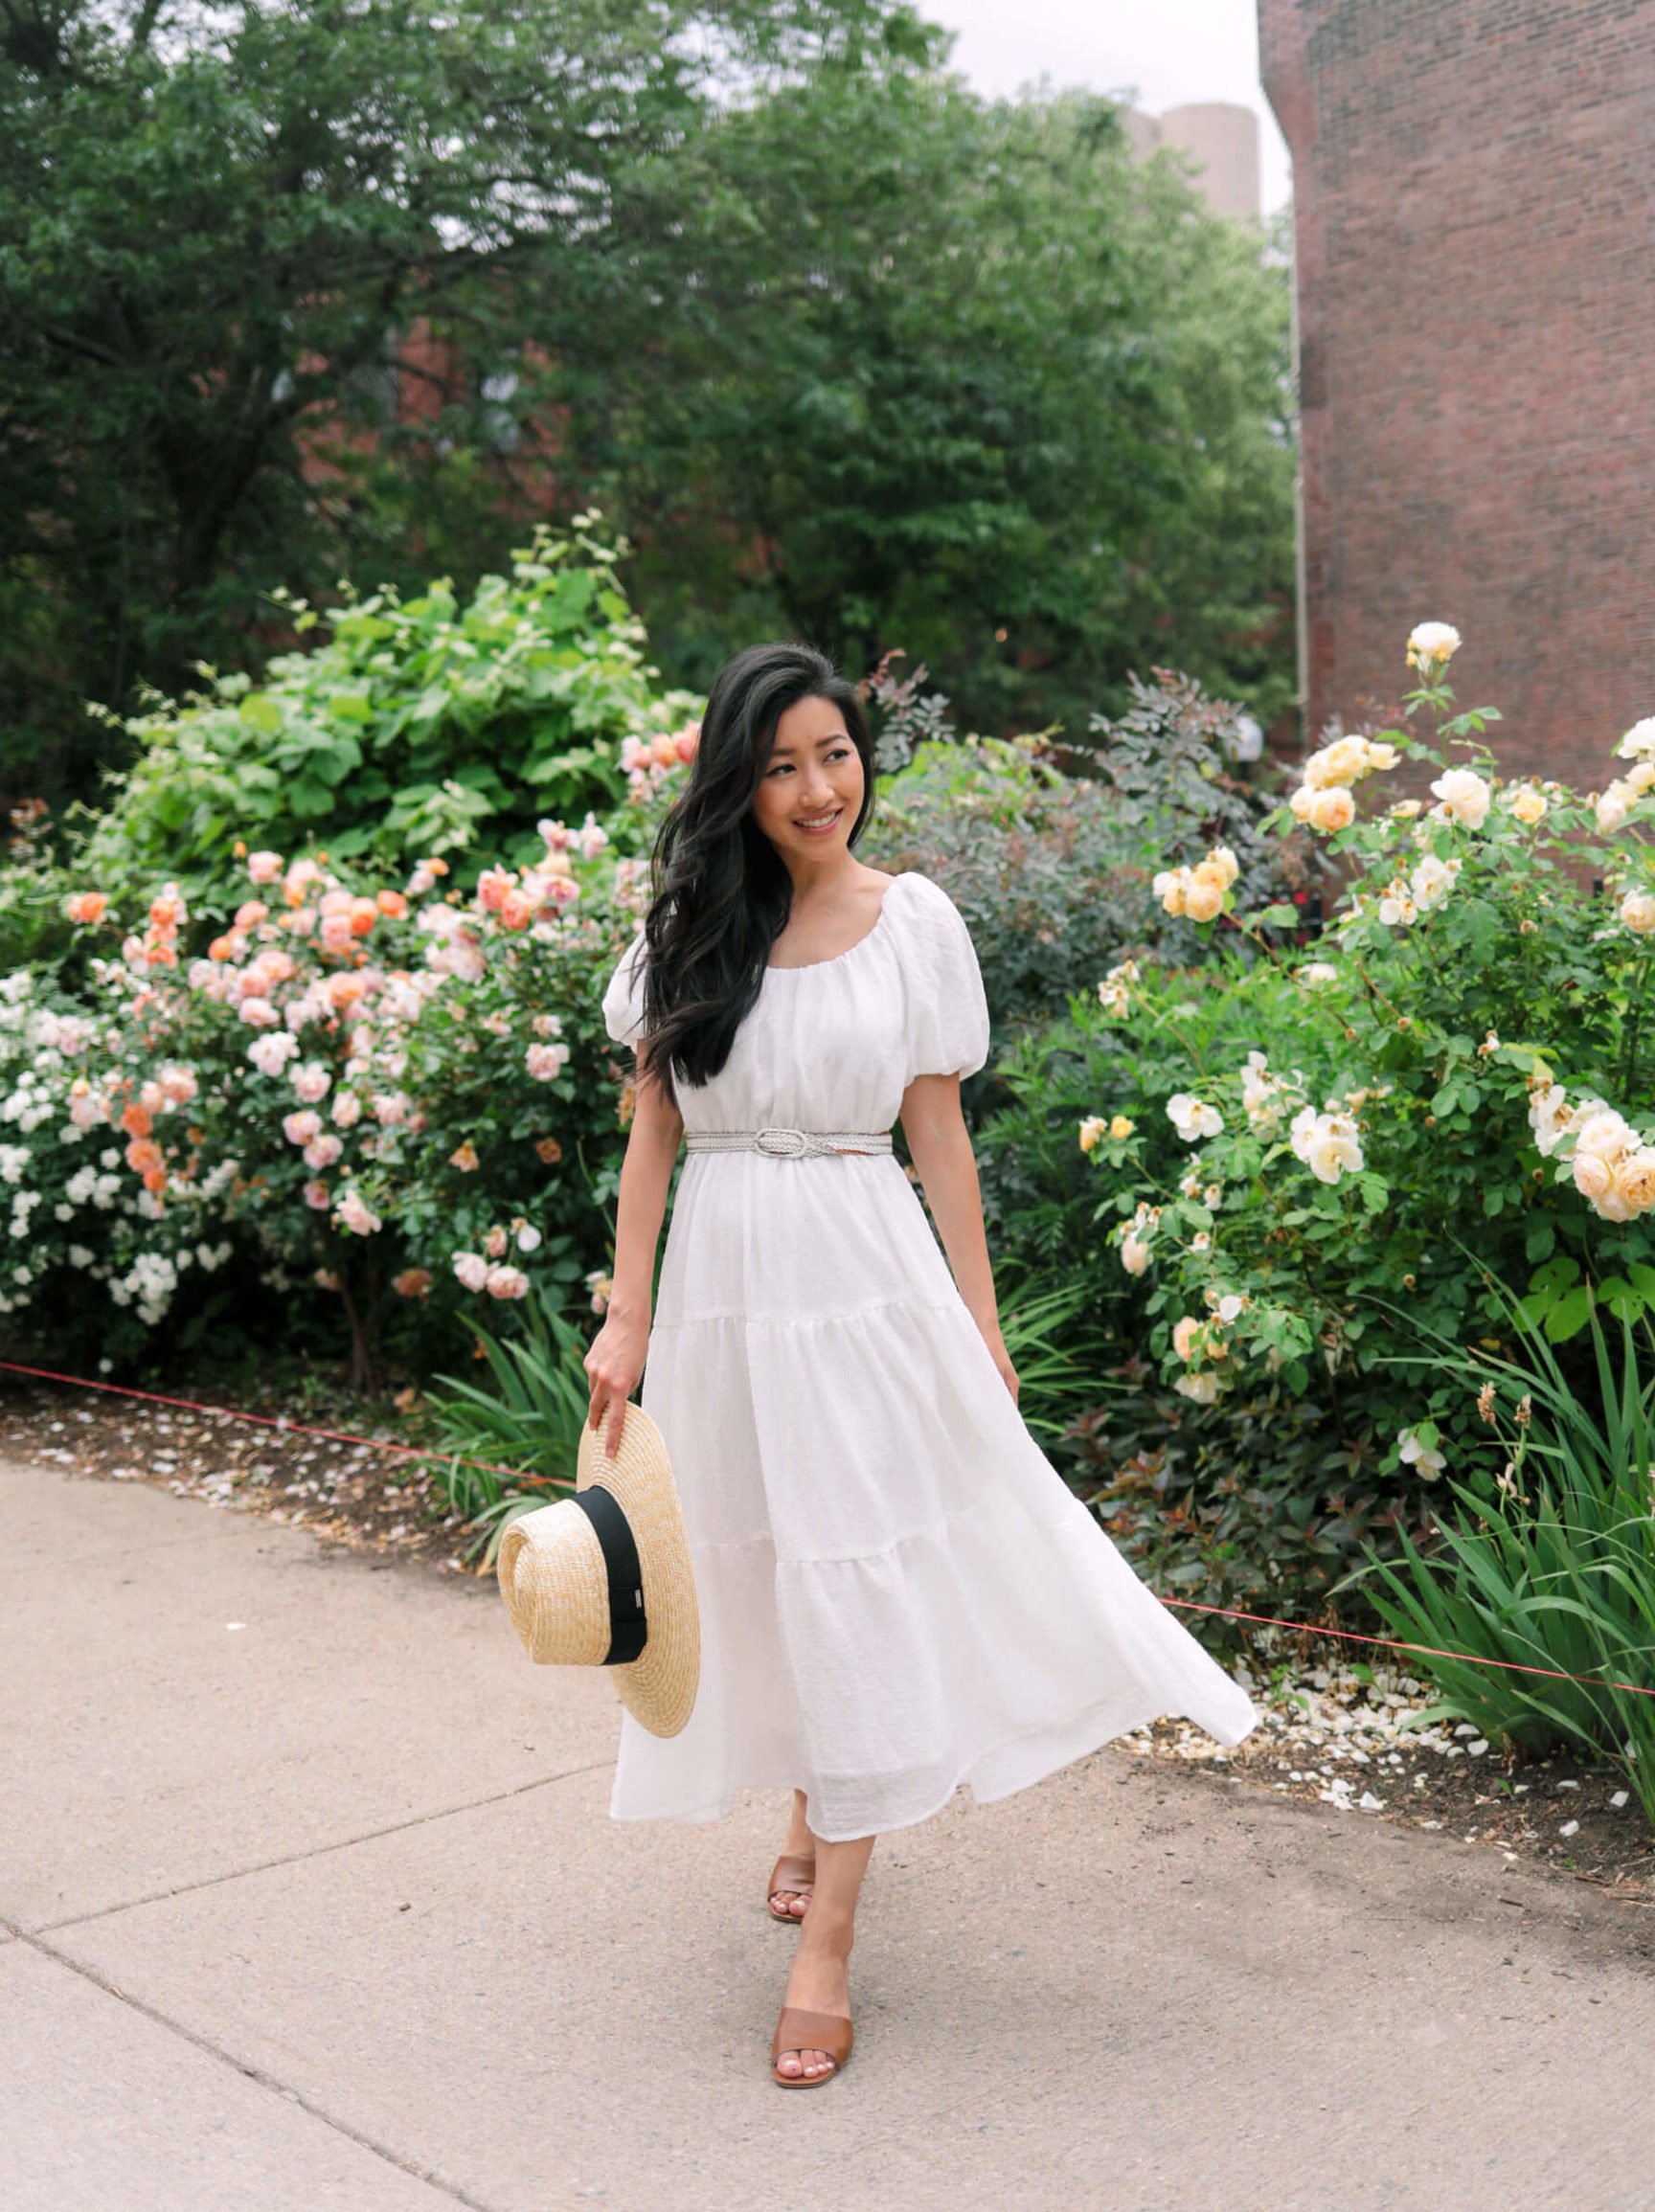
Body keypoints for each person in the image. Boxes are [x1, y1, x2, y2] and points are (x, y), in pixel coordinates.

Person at [582, 641, 1258, 2089]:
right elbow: (653, 1137)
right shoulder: (689, 930)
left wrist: (984, 1329)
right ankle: (809, 1797)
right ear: (736, 782)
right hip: (724, 1288)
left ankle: (827, 1942)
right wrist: (626, 1316)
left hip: (862, 1281)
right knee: (759, 1562)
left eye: (836, 754)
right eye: (780, 765)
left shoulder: (913, 924)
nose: (819, 787)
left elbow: (939, 1141)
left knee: (859, 1568)